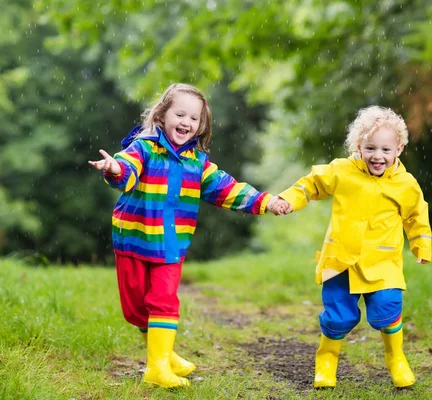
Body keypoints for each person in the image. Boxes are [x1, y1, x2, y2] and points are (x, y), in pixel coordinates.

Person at [89, 83, 287, 388]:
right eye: (180, 114)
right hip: (134, 238)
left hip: (170, 245)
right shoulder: (143, 147)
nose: (186, 122)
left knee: (164, 301)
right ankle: (164, 354)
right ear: (163, 115)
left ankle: (156, 367)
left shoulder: (198, 164)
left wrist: (266, 201)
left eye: (193, 118)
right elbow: (126, 171)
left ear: (201, 125)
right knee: (136, 309)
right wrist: (114, 168)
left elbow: (228, 189)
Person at [276, 105, 432, 388]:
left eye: (386, 149)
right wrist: (288, 200)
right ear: (358, 146)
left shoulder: (406, 184)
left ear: (399, 149)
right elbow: (311, 185)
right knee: (338, 317)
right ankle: (326, 360)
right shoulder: (342, 171)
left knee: (387, 307)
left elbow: (416, 215)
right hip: (341, 261)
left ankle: (396, 358)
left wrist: (422, 246)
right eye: (370, 148)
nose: (378, 156)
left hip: (383, 263)